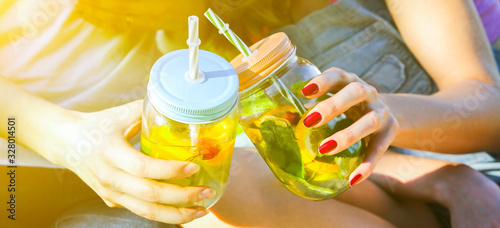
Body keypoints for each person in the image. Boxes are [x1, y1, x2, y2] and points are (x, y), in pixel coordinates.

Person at [0, 0, 499, 227]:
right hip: (372, 188)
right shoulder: (186, 47)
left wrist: (381, 111)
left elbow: (486, 105)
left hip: (455, 146)